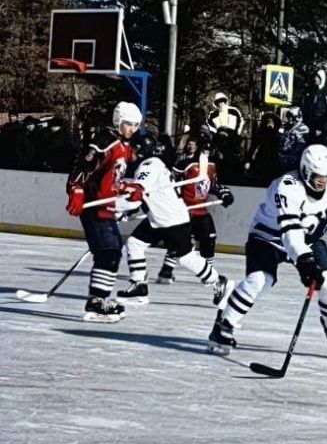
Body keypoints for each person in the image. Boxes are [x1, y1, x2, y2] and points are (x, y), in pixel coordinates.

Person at [207, 144, 327, 358]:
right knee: (259, 280)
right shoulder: (287, 186)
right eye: (318, 177)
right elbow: (291, 235)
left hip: (309, 239)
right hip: (268, 237)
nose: (323, 182)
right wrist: (305, 263)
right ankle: (224, 324)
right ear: (305, 171)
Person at [116, 131, 234, 306]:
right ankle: (139, 285)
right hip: (159, 218)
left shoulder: (149, 165)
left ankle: (218, 281)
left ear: (141, 150)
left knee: (185, 257)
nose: (129, 152)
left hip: (171, 219)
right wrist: (126, 209)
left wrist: (115, 210)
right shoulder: (152, 164)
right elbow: (143, 196)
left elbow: (137, 192)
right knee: (134, 243)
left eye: (132, 148)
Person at [65, 102, 141, 322]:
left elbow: (113, 180)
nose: (132, 129)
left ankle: (99, 299)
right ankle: (98, 301)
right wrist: (76, 189)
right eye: (128, 124)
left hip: (106, 206)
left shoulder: (126, 147)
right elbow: (82, 166)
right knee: (108, 250)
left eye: (136, 125)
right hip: (94, 207)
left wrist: (128, 188)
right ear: (118, 121)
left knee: (112, 251)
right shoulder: (105, 141)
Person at [156, 132, 235, 284]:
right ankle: (166, 271)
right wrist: (176, 200)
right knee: (180, 242)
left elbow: (211, 186)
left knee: (209, 239)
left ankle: (210, 273)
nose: (206, 153)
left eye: (208, 151)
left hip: (201, 210)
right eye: (204, 150)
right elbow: (173, 183)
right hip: (185, 210)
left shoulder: (211, 166)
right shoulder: (186, 164)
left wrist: (223, 194)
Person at [300, 68, 327, 145]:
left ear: (321, 78)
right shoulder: (311, 91)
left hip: (321, 127)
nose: (315, 79)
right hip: (309, 126)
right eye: (314, 77)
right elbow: (304, 107)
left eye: (317, 77)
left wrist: (321, 127)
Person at [278, 106, 310, 172]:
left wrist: (291, 159)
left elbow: (300, 147)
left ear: (297, 117)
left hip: (292, 162)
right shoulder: (289, 127)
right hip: (284, 160)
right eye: (288, 116)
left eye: (291, 116)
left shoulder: (302, 128)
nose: (289, 118)